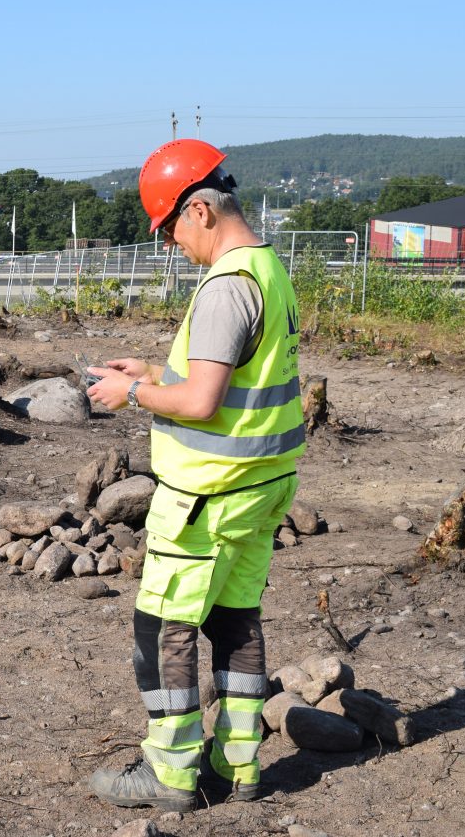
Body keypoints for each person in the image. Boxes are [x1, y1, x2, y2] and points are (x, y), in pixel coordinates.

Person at [81, 139, 306, 812]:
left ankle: (171, 773)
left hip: (206, 496)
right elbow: (234, 383)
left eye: (171, 228)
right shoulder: (266, 270)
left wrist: (132, 397)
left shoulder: (224, 289)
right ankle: (238, 767)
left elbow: (202, 403)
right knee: (235, 623)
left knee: (163, 629)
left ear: (200, 211)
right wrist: (150, 372)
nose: (171, 244)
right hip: (259, 487)